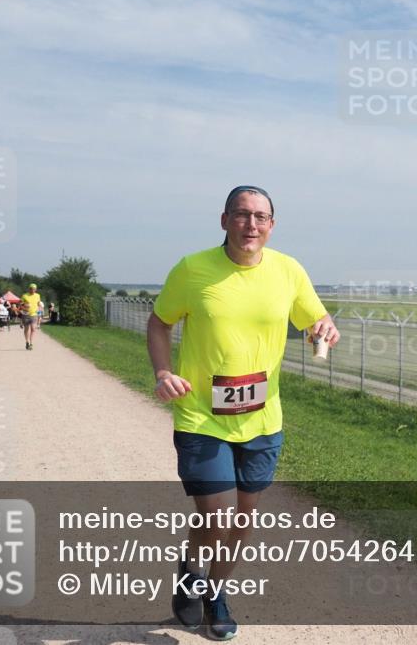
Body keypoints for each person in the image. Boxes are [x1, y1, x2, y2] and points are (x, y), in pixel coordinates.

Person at [147, 185, 339, 639]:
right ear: (224, 220)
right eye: (241, 215)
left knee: (242, 519)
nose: (250, 225)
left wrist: (324, 328)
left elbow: (315, 319)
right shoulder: (193, 270)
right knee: (216, 516)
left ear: (271, 225)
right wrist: (162, 372)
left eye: (260, 217)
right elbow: (159, 322)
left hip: (262, 418)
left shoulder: (288, 271)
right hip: (201, 414)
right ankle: (193, 572)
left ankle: (212, 590)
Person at [20, 283, 41, 350]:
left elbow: (38, 304)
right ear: (29, 289)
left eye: (34, 289)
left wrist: (39, 313)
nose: (33, 290)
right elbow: (20, 304)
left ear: (36, 289)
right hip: (26, 314)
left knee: (33, 329)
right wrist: (24, 306)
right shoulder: (24, 295)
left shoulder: (38, 295)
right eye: (31, 289)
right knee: (26, 329)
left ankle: (31, 343)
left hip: (34, 314)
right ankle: (27, 342)